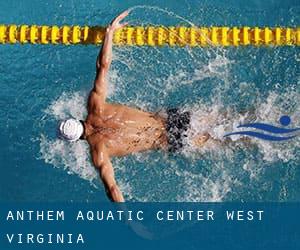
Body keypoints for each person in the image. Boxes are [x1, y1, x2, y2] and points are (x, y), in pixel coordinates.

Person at [58, 11, 210, 202]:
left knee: (228, 141)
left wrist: (130, 221)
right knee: (226, 118)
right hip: (172, 118)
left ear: (76, 140)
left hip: (171, 140)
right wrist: (109, 33)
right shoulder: (95, 105)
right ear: (76, 119)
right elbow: (103, 66)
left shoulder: (99, 152)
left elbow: (112, 189)